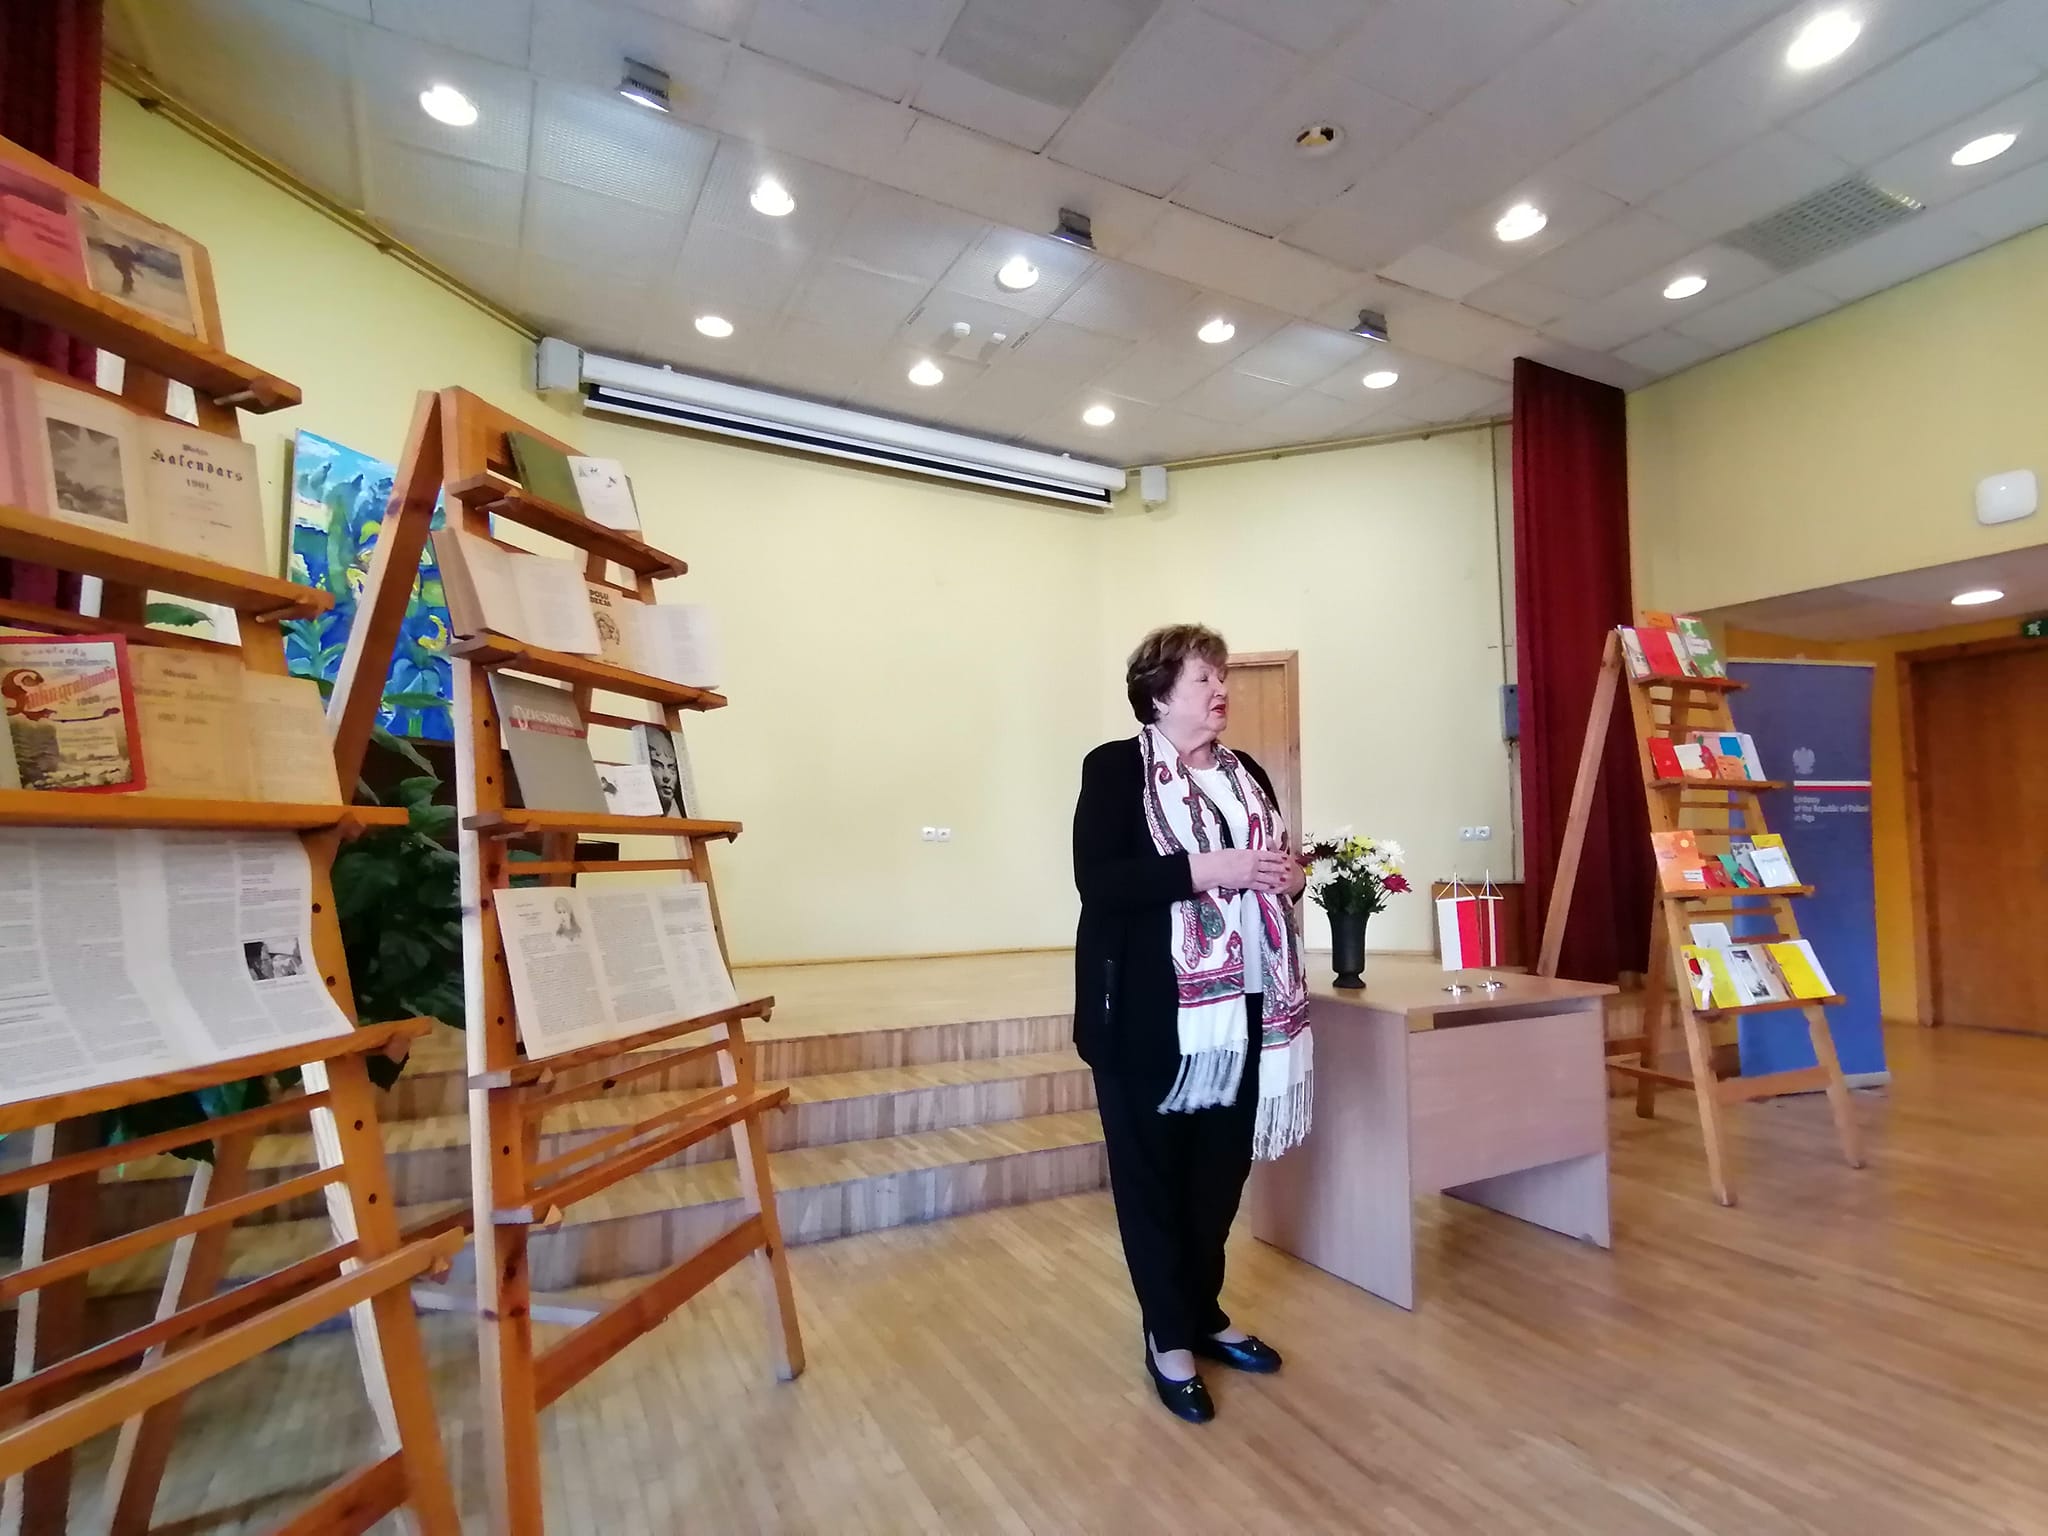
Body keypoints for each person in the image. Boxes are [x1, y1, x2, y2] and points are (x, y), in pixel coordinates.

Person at [1072, 624, 1312, 1425]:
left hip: (1244, 1008)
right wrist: (1214, 868)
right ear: (1158, 693)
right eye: (1204, 678)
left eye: (1222, 677)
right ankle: (1167, 1337)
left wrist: (1287, 875)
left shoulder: (1247, 774)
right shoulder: (1114, 769)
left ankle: (1202, 1312)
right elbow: (1100, 882)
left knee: (1217, 1176)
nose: (1221, 691)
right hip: (1148, 1015)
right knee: (1152, 1180)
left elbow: (1276, 866)